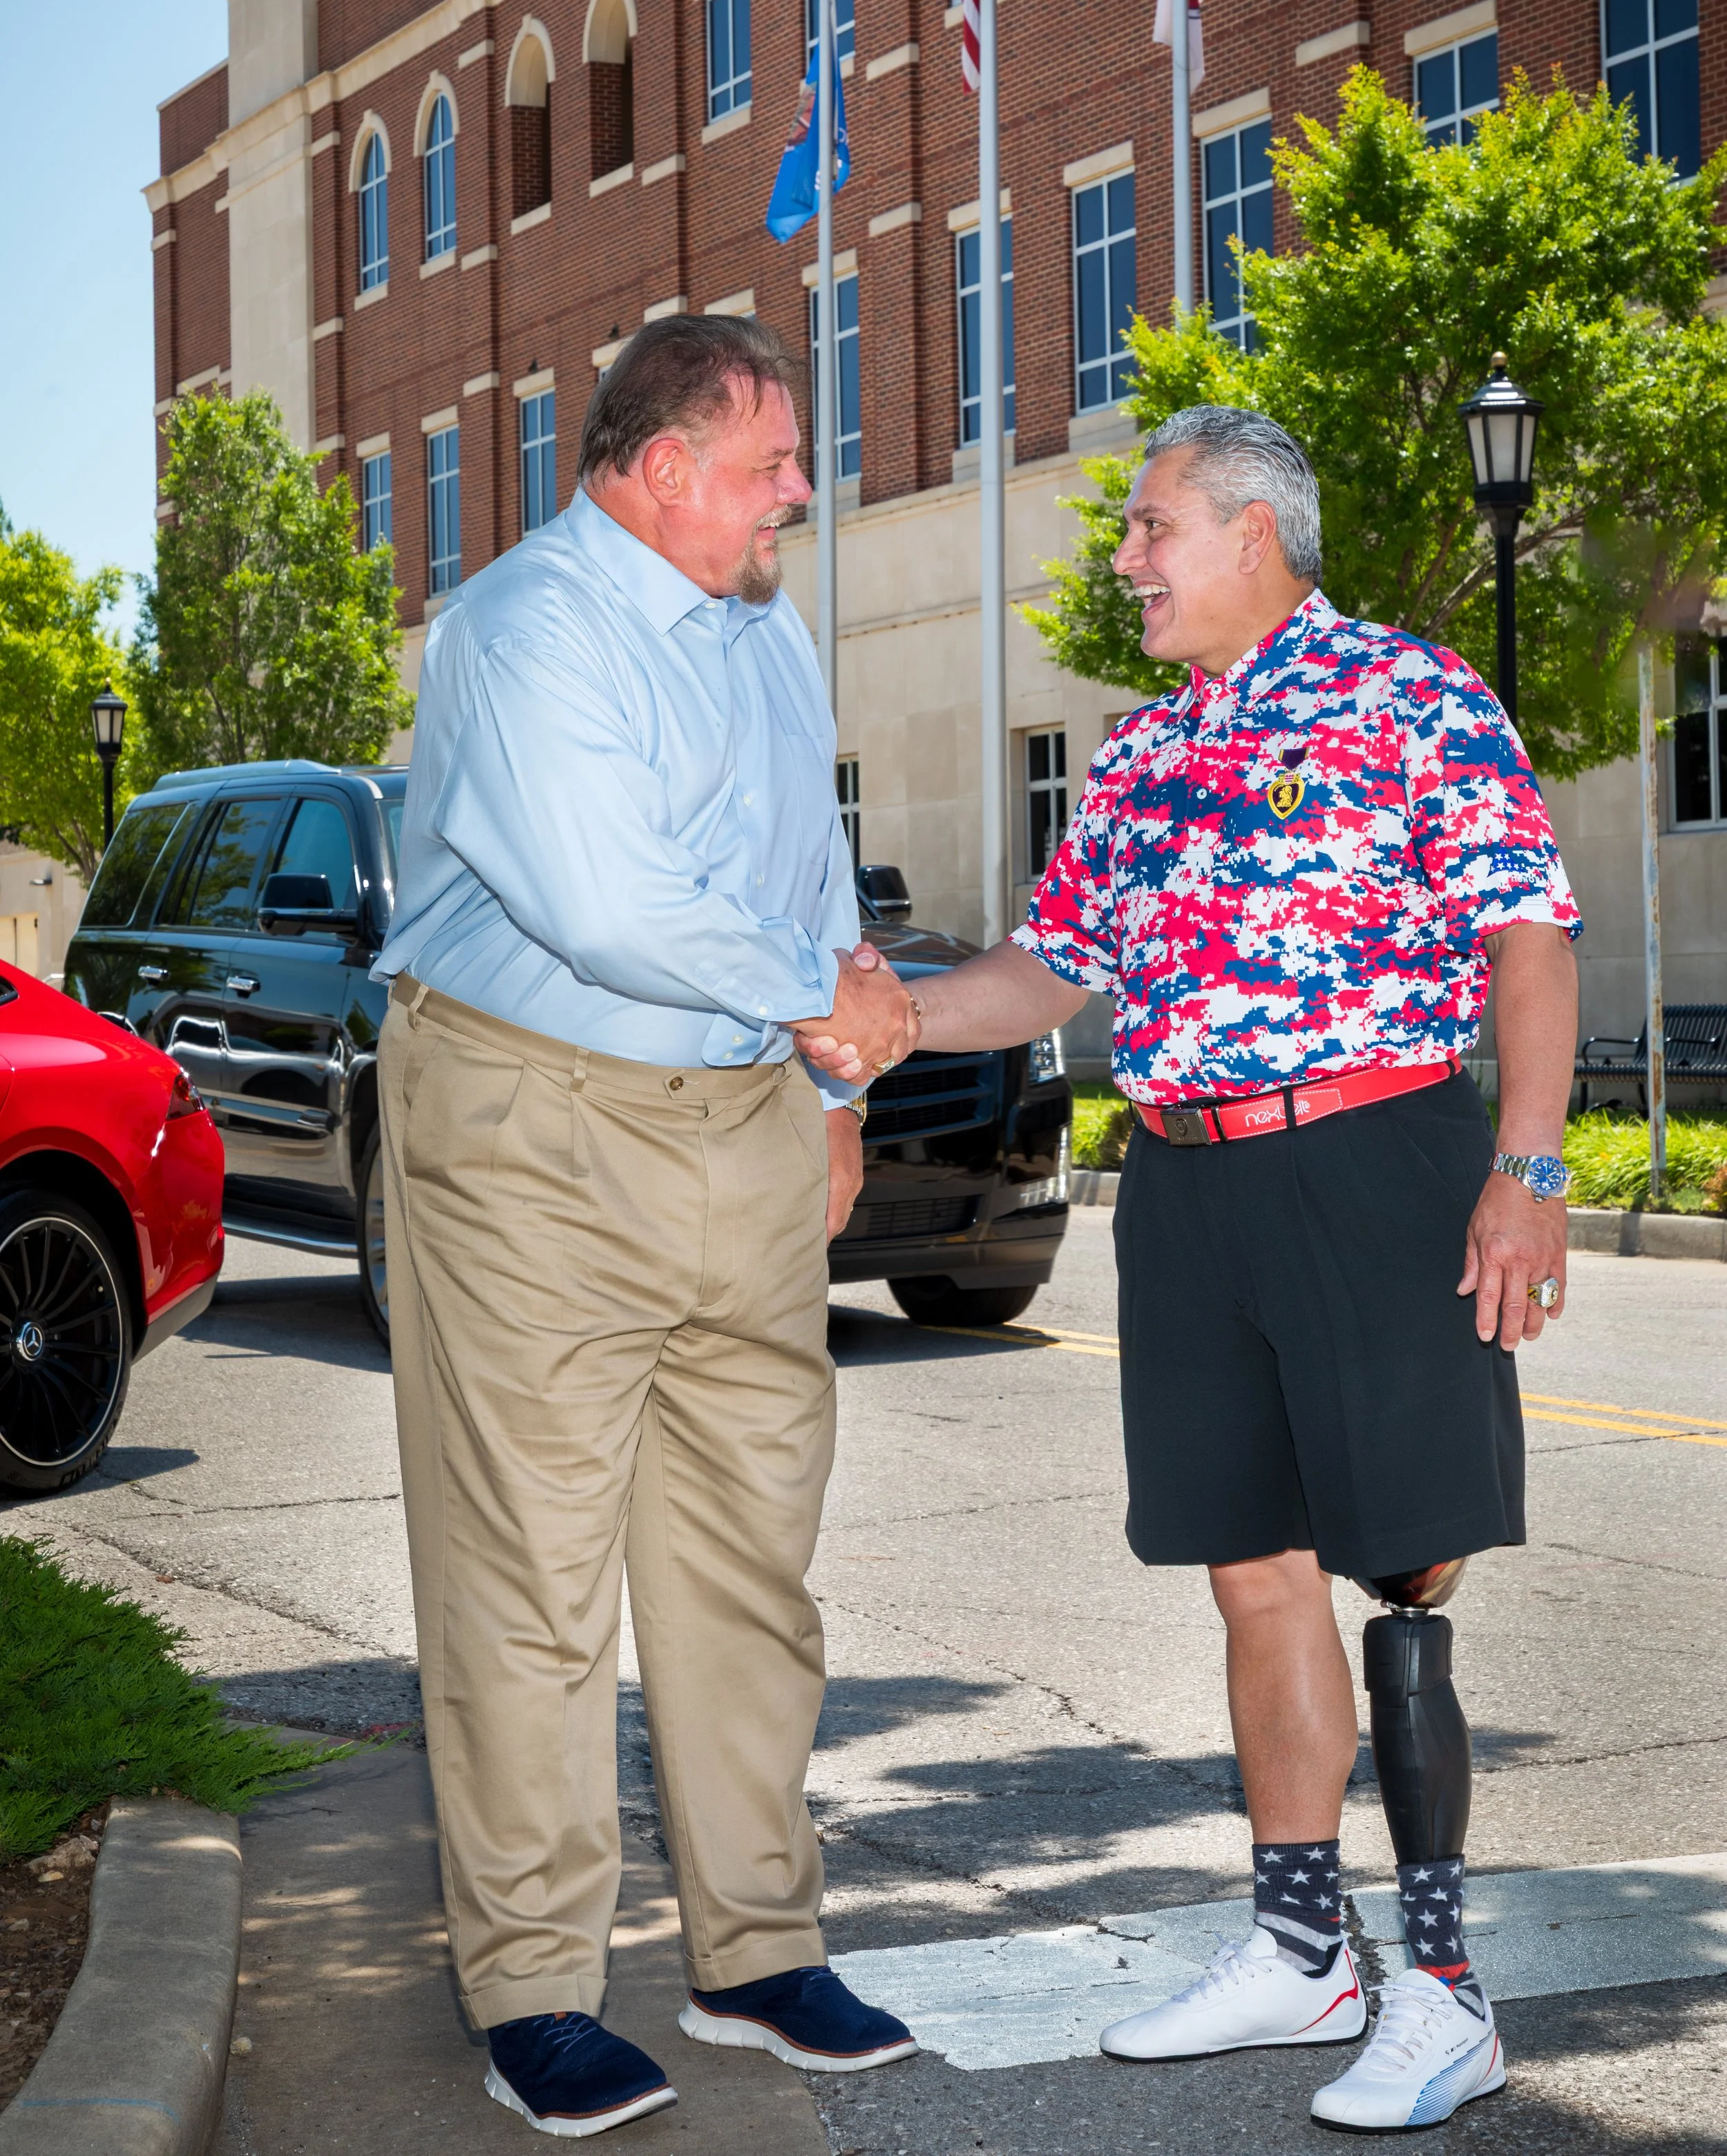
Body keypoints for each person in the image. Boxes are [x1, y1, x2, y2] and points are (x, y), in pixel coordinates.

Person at [809, 406, 1580, 2131]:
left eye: (1150, 528)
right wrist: (897, 1016)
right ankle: (1300, 1945)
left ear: (1251, 534)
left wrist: (1525, 1173)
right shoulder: (1145, 753)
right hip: (1187, 1181)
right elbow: (1044, 971)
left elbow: (1526, 933)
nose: (1127, 559)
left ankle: (1444, 1992)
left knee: (1407, 1561)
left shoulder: (1407, 694)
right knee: (1250, 1569)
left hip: (1375, 1159)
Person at [375, 314, 922, 2138]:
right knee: (527, 1581)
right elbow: (611, 899)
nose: (800, 488)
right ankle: (533, 1983)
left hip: (745, 1122)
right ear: (656, 462)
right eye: (772, 460)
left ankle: (756, 1946)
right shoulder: (527, 629)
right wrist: (822, 1004)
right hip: (537, 1125)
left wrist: (832, 1088)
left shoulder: (764, 629)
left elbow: (805, 864)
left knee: (744, 1565)